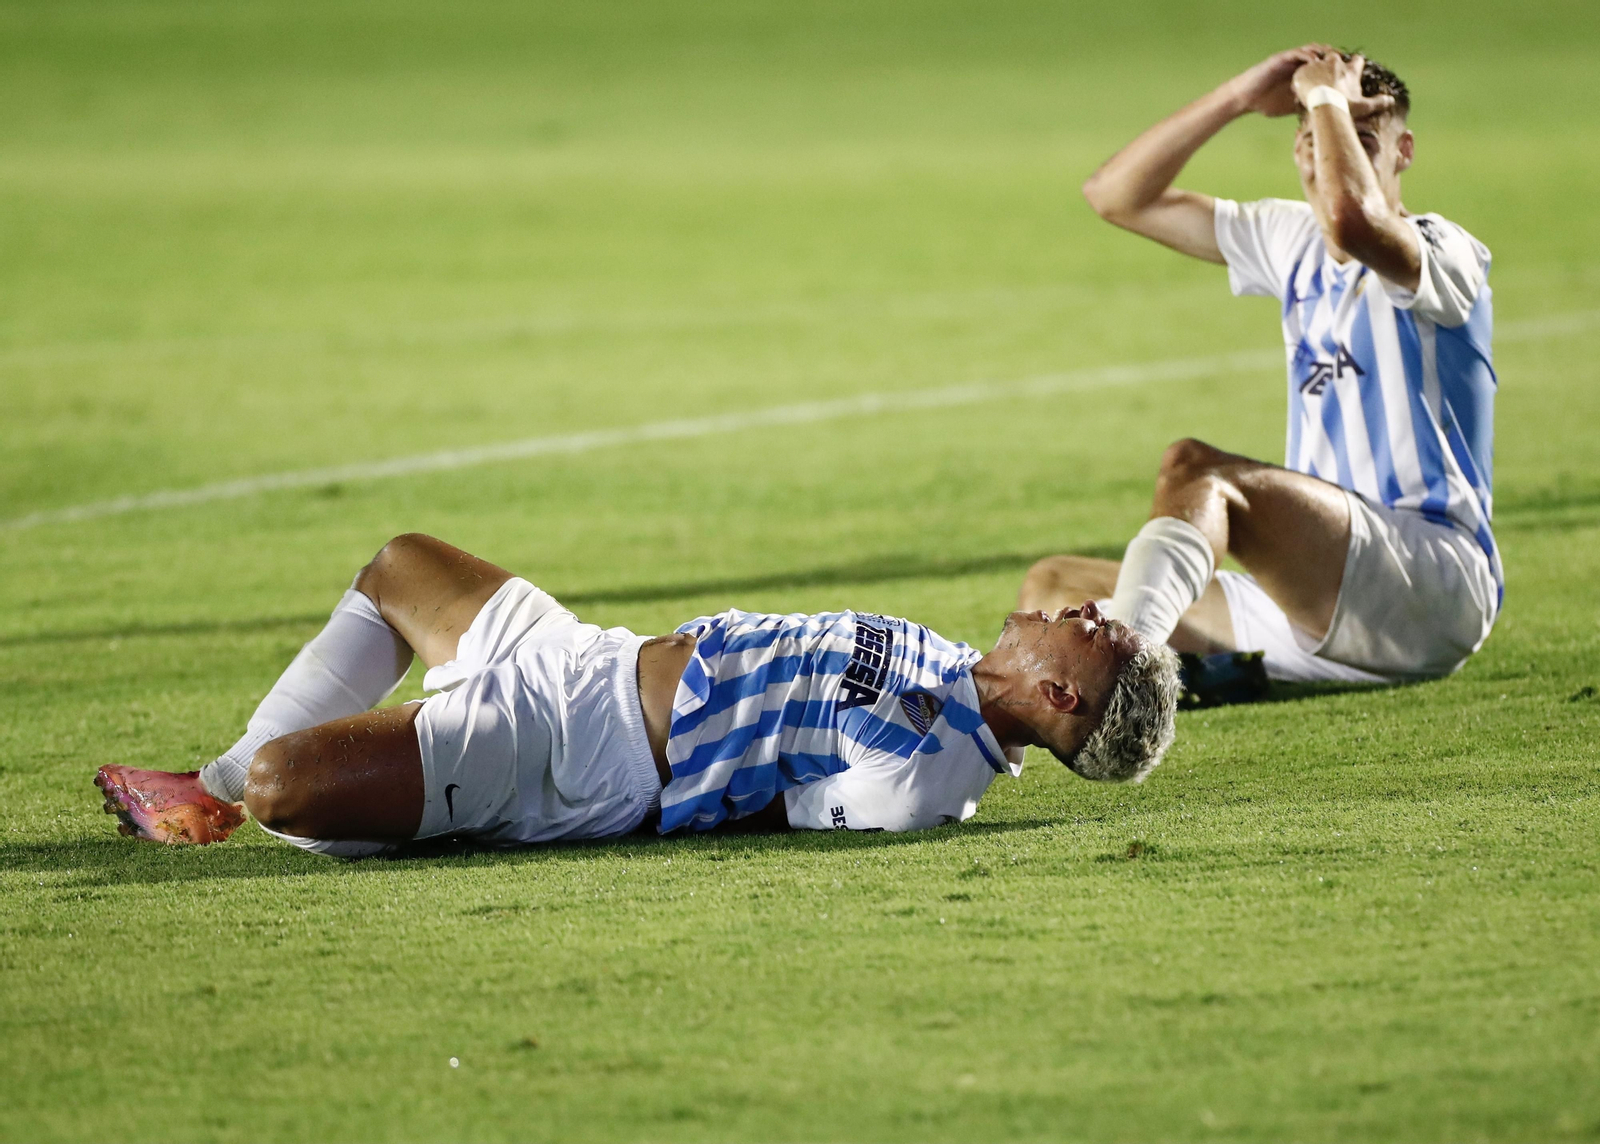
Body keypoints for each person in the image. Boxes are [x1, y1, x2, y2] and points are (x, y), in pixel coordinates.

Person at [95, 533, 1180, 854]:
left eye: (1094, 633)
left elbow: (774, 816)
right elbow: (1044, 573)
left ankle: (230, 789)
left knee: (292, 781)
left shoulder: (930, 774)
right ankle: (213, 783)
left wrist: (585, 808)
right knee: (398, 568)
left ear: (1065, 699)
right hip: (588, 657)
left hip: (582, 751)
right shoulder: (952, 662)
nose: (1078, 607)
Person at [1022, 46, 1499, 690]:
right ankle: (1209, 680)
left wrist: (1325, 100)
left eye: (1359, 138)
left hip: (1428, 578)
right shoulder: (1292, 240)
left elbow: (1353, 217)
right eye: (1314, 138)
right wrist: (1236, 99)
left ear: (1403, 151)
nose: (1329, 155)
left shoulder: (1447, 251)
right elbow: (1115, 196)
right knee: (1054, 592)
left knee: (1199, 473)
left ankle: (1127, 676)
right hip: (1320, 600)